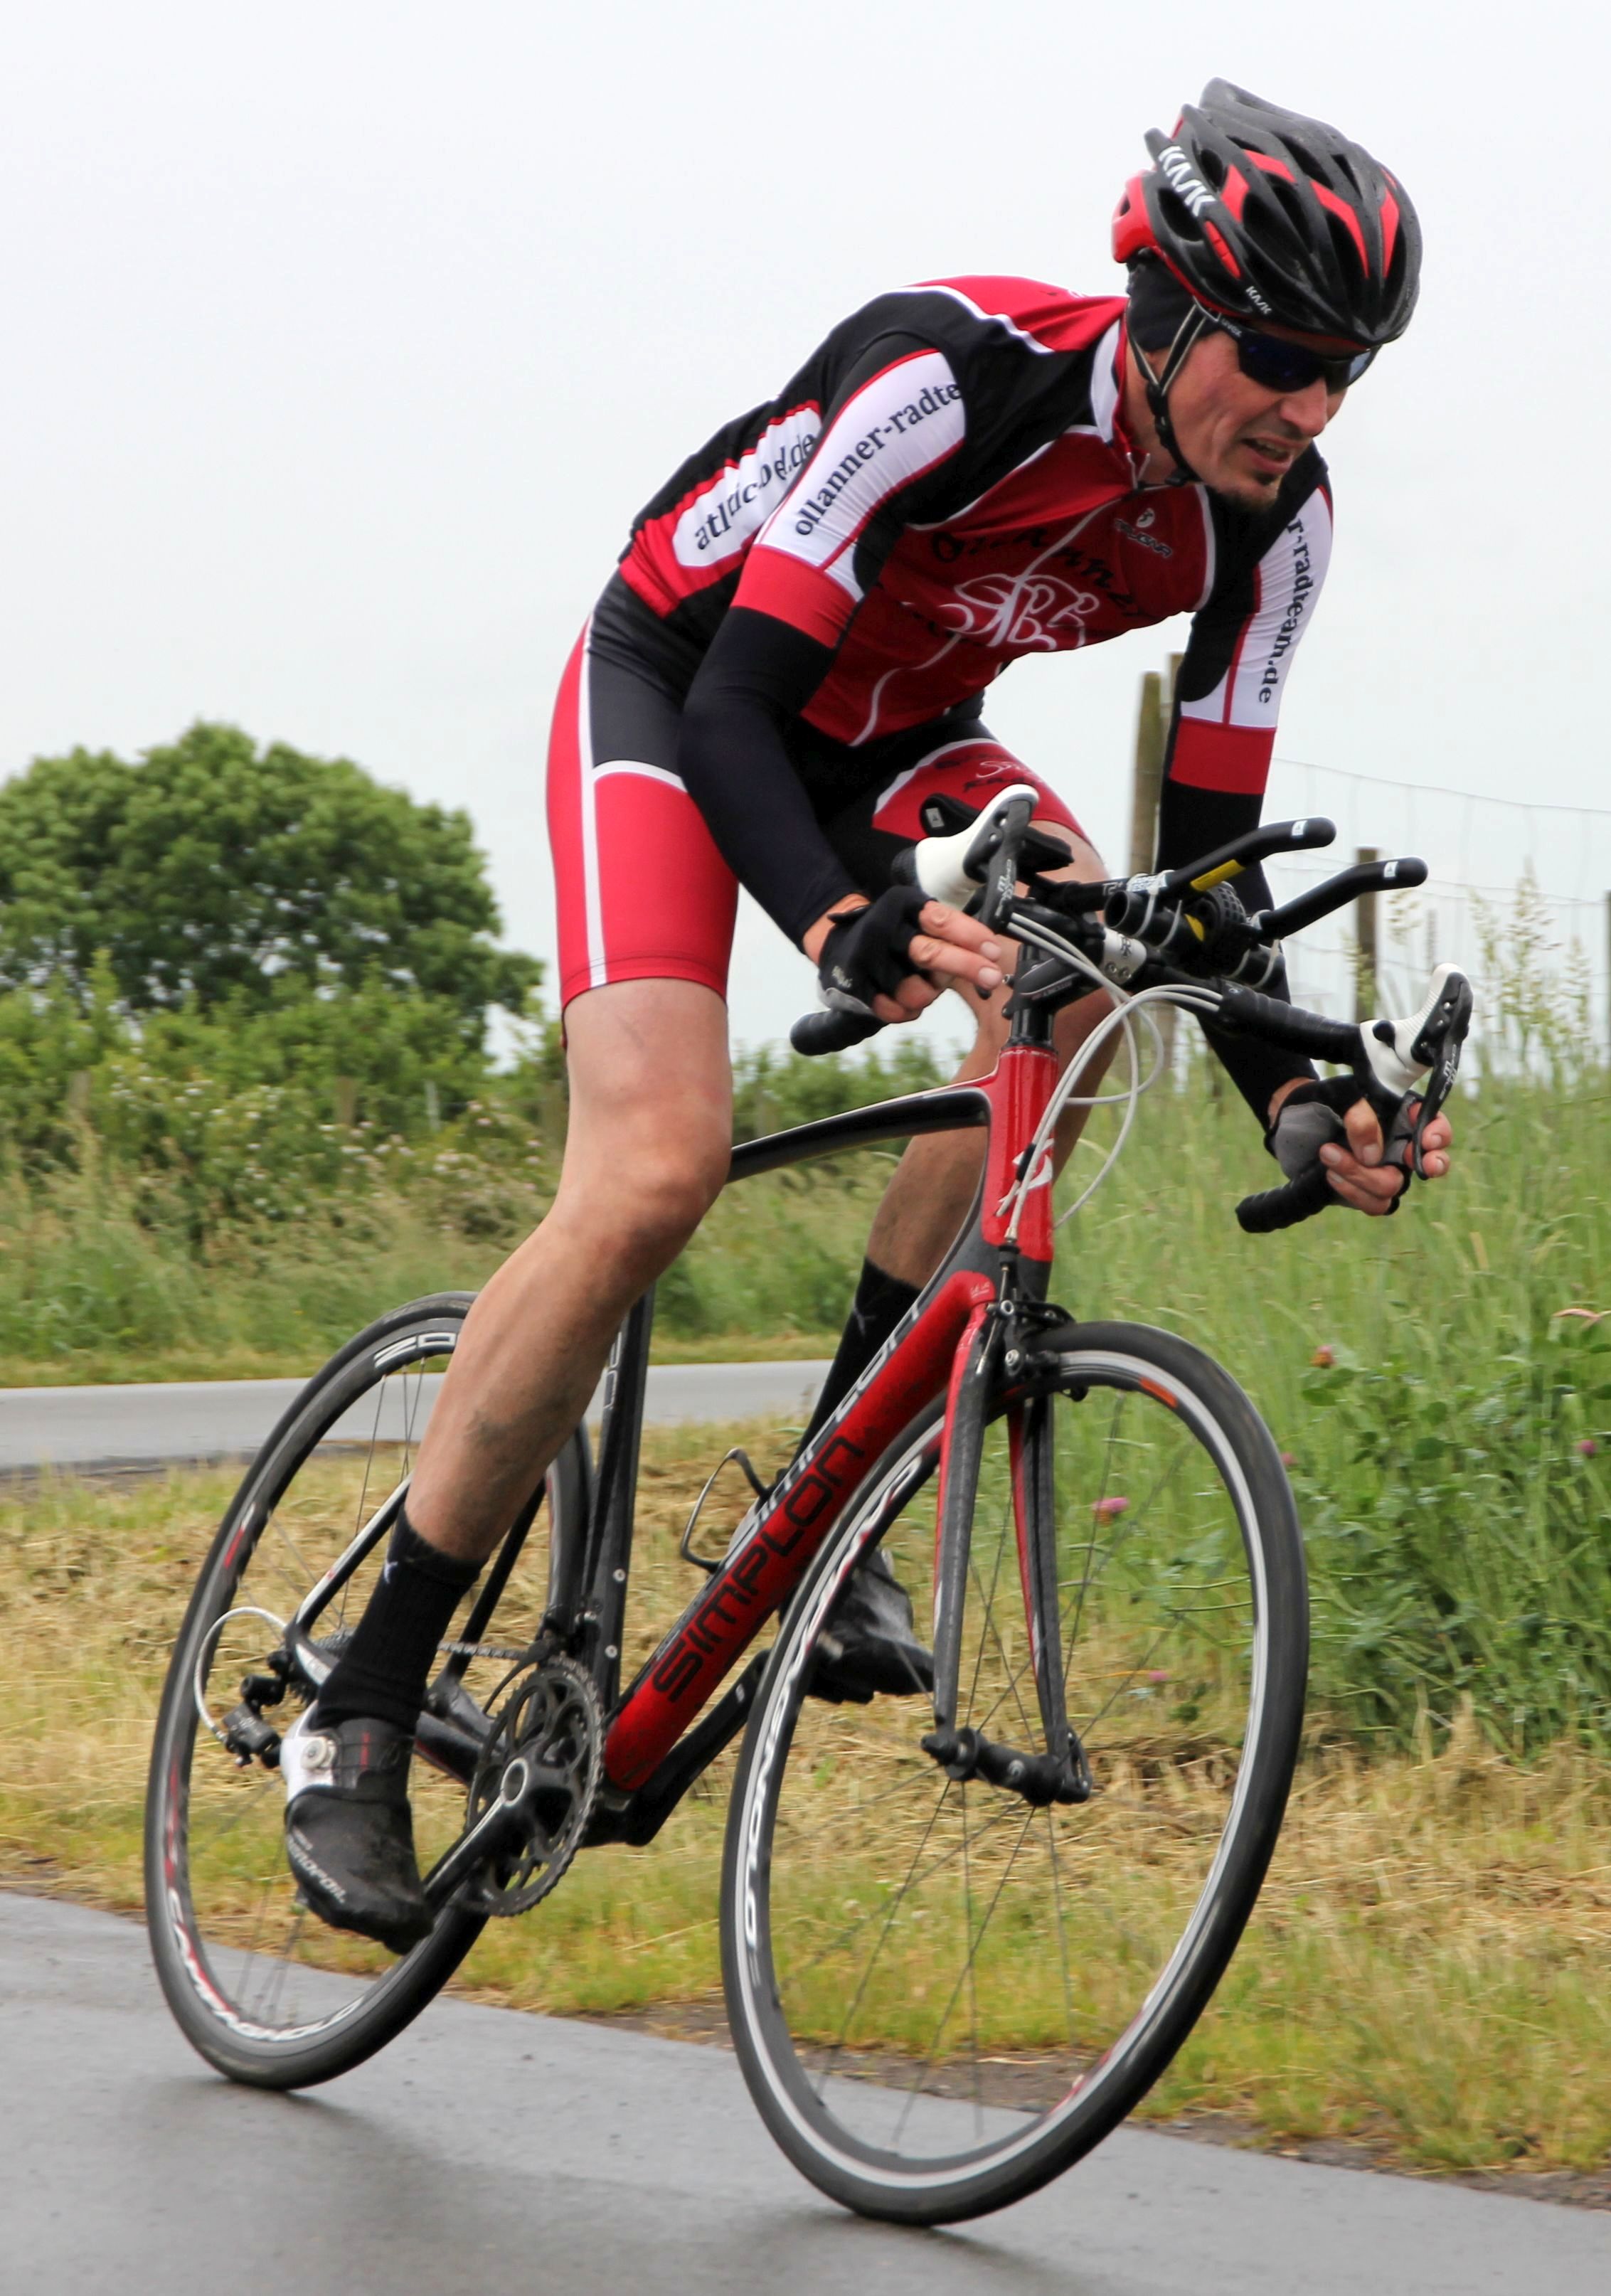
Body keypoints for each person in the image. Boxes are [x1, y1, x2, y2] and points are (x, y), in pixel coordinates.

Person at [281, 80, 1455, 1952]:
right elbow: (737, 707)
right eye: (1284, 358)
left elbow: (1205, 866)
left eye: (1348, 373)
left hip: (900, 731)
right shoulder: (947, 376)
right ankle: (360, 1702)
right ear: (1163, 308)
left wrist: (1295, 1099)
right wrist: (839, 921)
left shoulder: (1273, 522)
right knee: (653, 1172)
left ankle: (830, 1513)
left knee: (1092, 963)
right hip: (685, 685)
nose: (1313, 409)